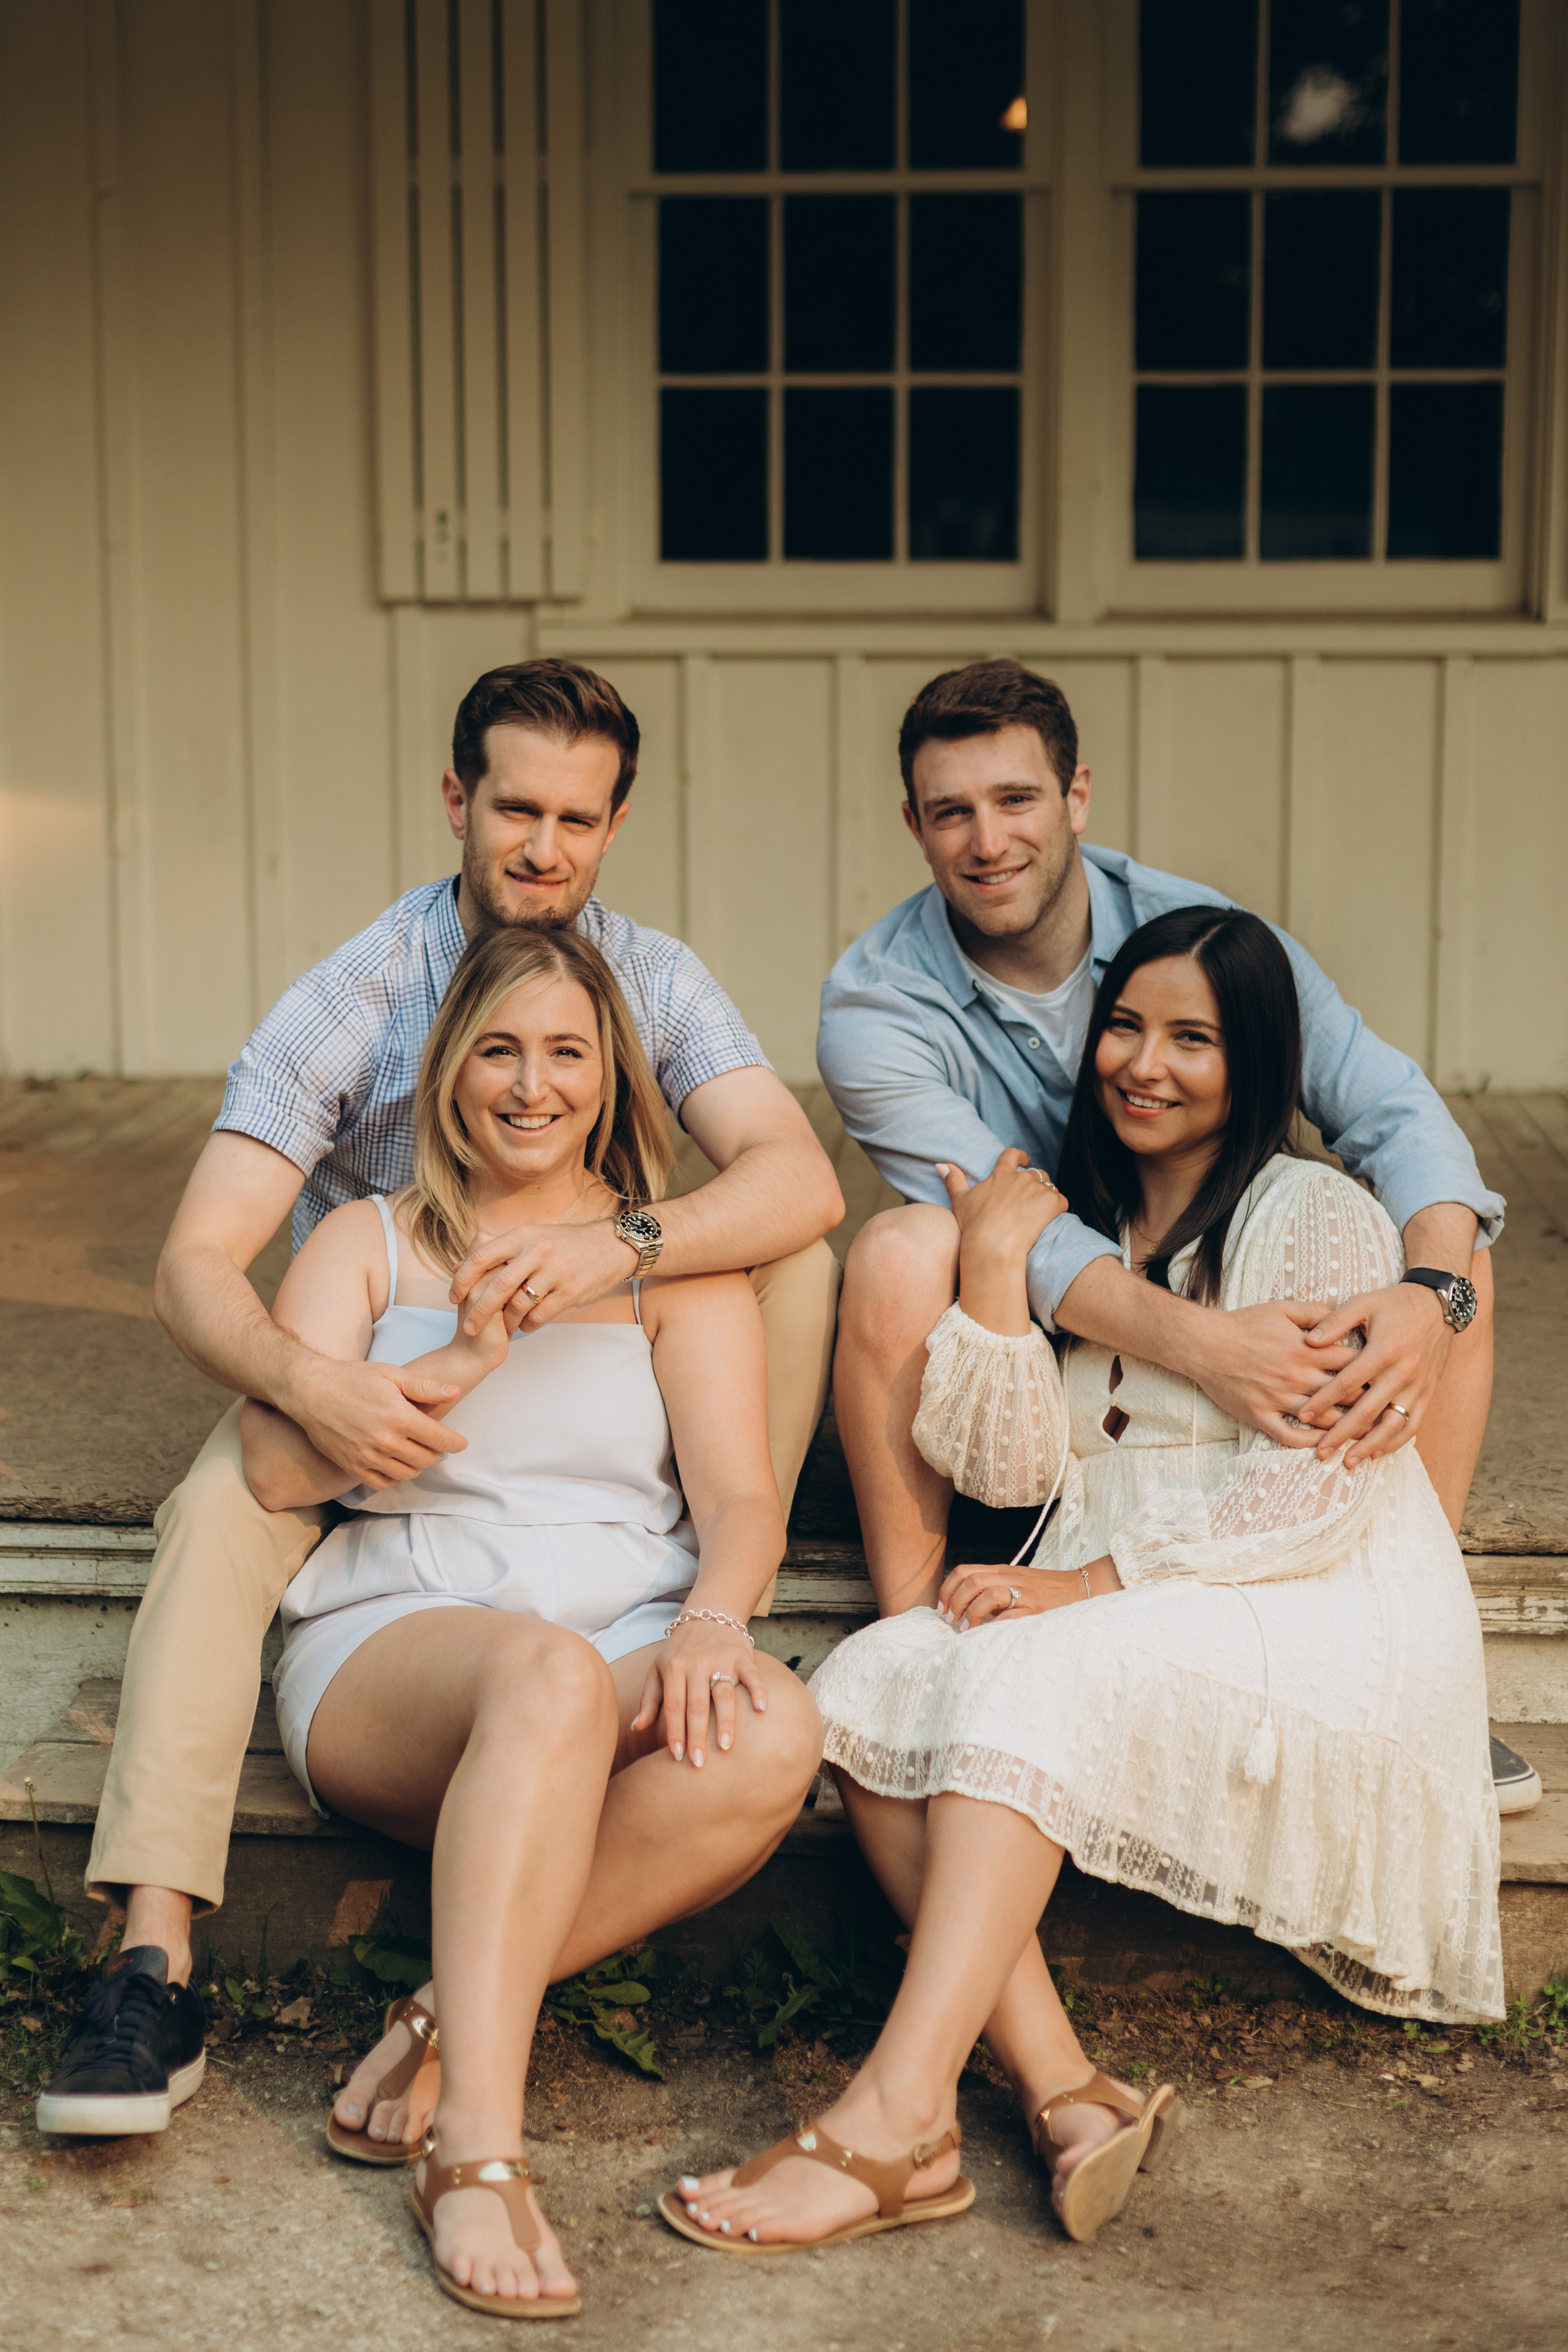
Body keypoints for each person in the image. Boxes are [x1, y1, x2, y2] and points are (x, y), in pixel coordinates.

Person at [39, 657, 843, 2141]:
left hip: (599, 1318)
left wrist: (623, 1241)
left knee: (787, 1256)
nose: (543, 847)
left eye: (578, 820)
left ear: (613, 825)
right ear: (458, 801)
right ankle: (151, 1952)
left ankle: (715, 1551)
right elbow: (196, 1262)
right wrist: (314, 1383)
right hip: (375, 1360)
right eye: (516, 809)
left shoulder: (646, 980)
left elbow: (795, 1178)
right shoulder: (357, 994)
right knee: (223, 1501)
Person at [664, 907, 1501, 2261]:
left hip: (1318, 1597)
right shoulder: (1085, 1222)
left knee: (1022, 1666)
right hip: (1145, 1596)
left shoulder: (1318, 1215)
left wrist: (1087, 1584)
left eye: (1192, 1038)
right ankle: (1065, 2091)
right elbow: (1011, 1458)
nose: (1143, 1063)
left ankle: (897, 2112)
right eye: (1123, 1026)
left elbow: (1317, 1490)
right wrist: (997, 1280)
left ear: (1258, 1061)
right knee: (877, 1679)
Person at [817, 659, 1528, 1808]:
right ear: (915, 824)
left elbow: (1394, 1112)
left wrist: (1427, 1292)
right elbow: (1024, 1237)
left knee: (1461, 1261)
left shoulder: (1204, 937)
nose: (987, 841)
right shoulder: (875, 1007)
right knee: (900, 1252)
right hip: (1027, 1334)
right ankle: (915, 1645)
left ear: (1076, 796)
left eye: (1017, 800)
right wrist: (1211, 1350)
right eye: (951, 812)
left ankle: (1412, 1653)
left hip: (1212, 1275)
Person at [241, 923, 823, 2315]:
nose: (529, 1084)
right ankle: (481, 2154)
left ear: (611, 1077)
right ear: (448, 1071)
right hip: (399, 1632)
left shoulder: (675, 1264)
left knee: (774, 1729)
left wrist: (711, 1621)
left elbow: (741, 1497)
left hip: (619, 1621)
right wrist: (453, 1360)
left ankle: (440, 2016)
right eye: (497, 1050)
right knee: (549, 1677)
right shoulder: (365, 1243)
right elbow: (275, 1468)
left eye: (567, 1053)